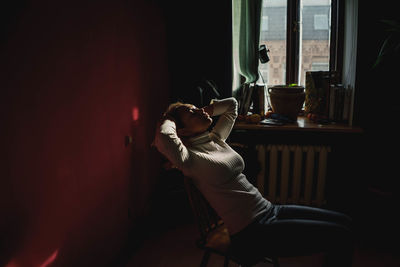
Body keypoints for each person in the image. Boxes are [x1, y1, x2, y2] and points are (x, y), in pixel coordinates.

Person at [153, 97, 354, 267]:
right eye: (192, 113)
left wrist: (202, 111)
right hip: (251, 232)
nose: (199, 110)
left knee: (346, 222)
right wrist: (169, 117)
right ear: (183, 132)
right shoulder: (189, 159)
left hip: (270, 210)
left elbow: (232, 104)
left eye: (197, 108)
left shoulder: (215, 139)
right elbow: (163, 136)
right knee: (341, 235)